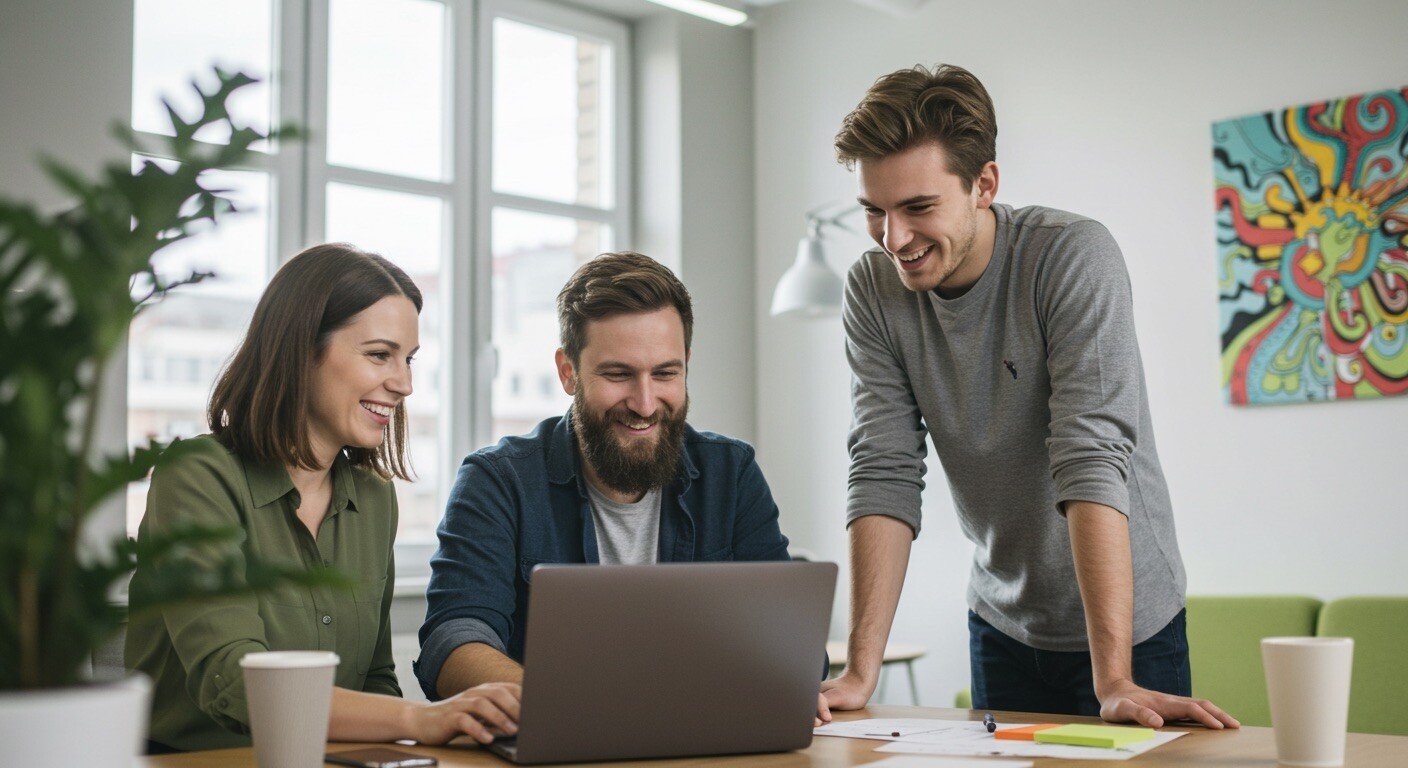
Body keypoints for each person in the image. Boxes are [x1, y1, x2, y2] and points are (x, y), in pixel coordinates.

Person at [816, 65, 1239, 729]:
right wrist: (861, 671)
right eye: (875, 211)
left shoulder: (1070, 256)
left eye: (918, 208)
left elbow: (1090, 454)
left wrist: (1115, 677)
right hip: (1002, 622)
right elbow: (883, 466)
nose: (894, 239)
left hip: (1131, 632)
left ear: (984, 184)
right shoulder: (873, 290)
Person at [126, 243, 520, 752]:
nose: (404, 384)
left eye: (409, 359)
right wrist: (422, 720)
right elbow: (235, 683)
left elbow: (376, 676)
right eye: (380, 355)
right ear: (301, 350)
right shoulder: (198, 477)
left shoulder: (375, 499)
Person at [416, 251, 829, 722]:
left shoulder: (730, 473)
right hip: (561, 744)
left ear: (687, 365)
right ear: (568, 372)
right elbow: (454, 639)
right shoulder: (498, 480)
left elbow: (794, 650)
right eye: (619, 374)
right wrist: (581, 709)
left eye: (665, 373)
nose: (646, 402)